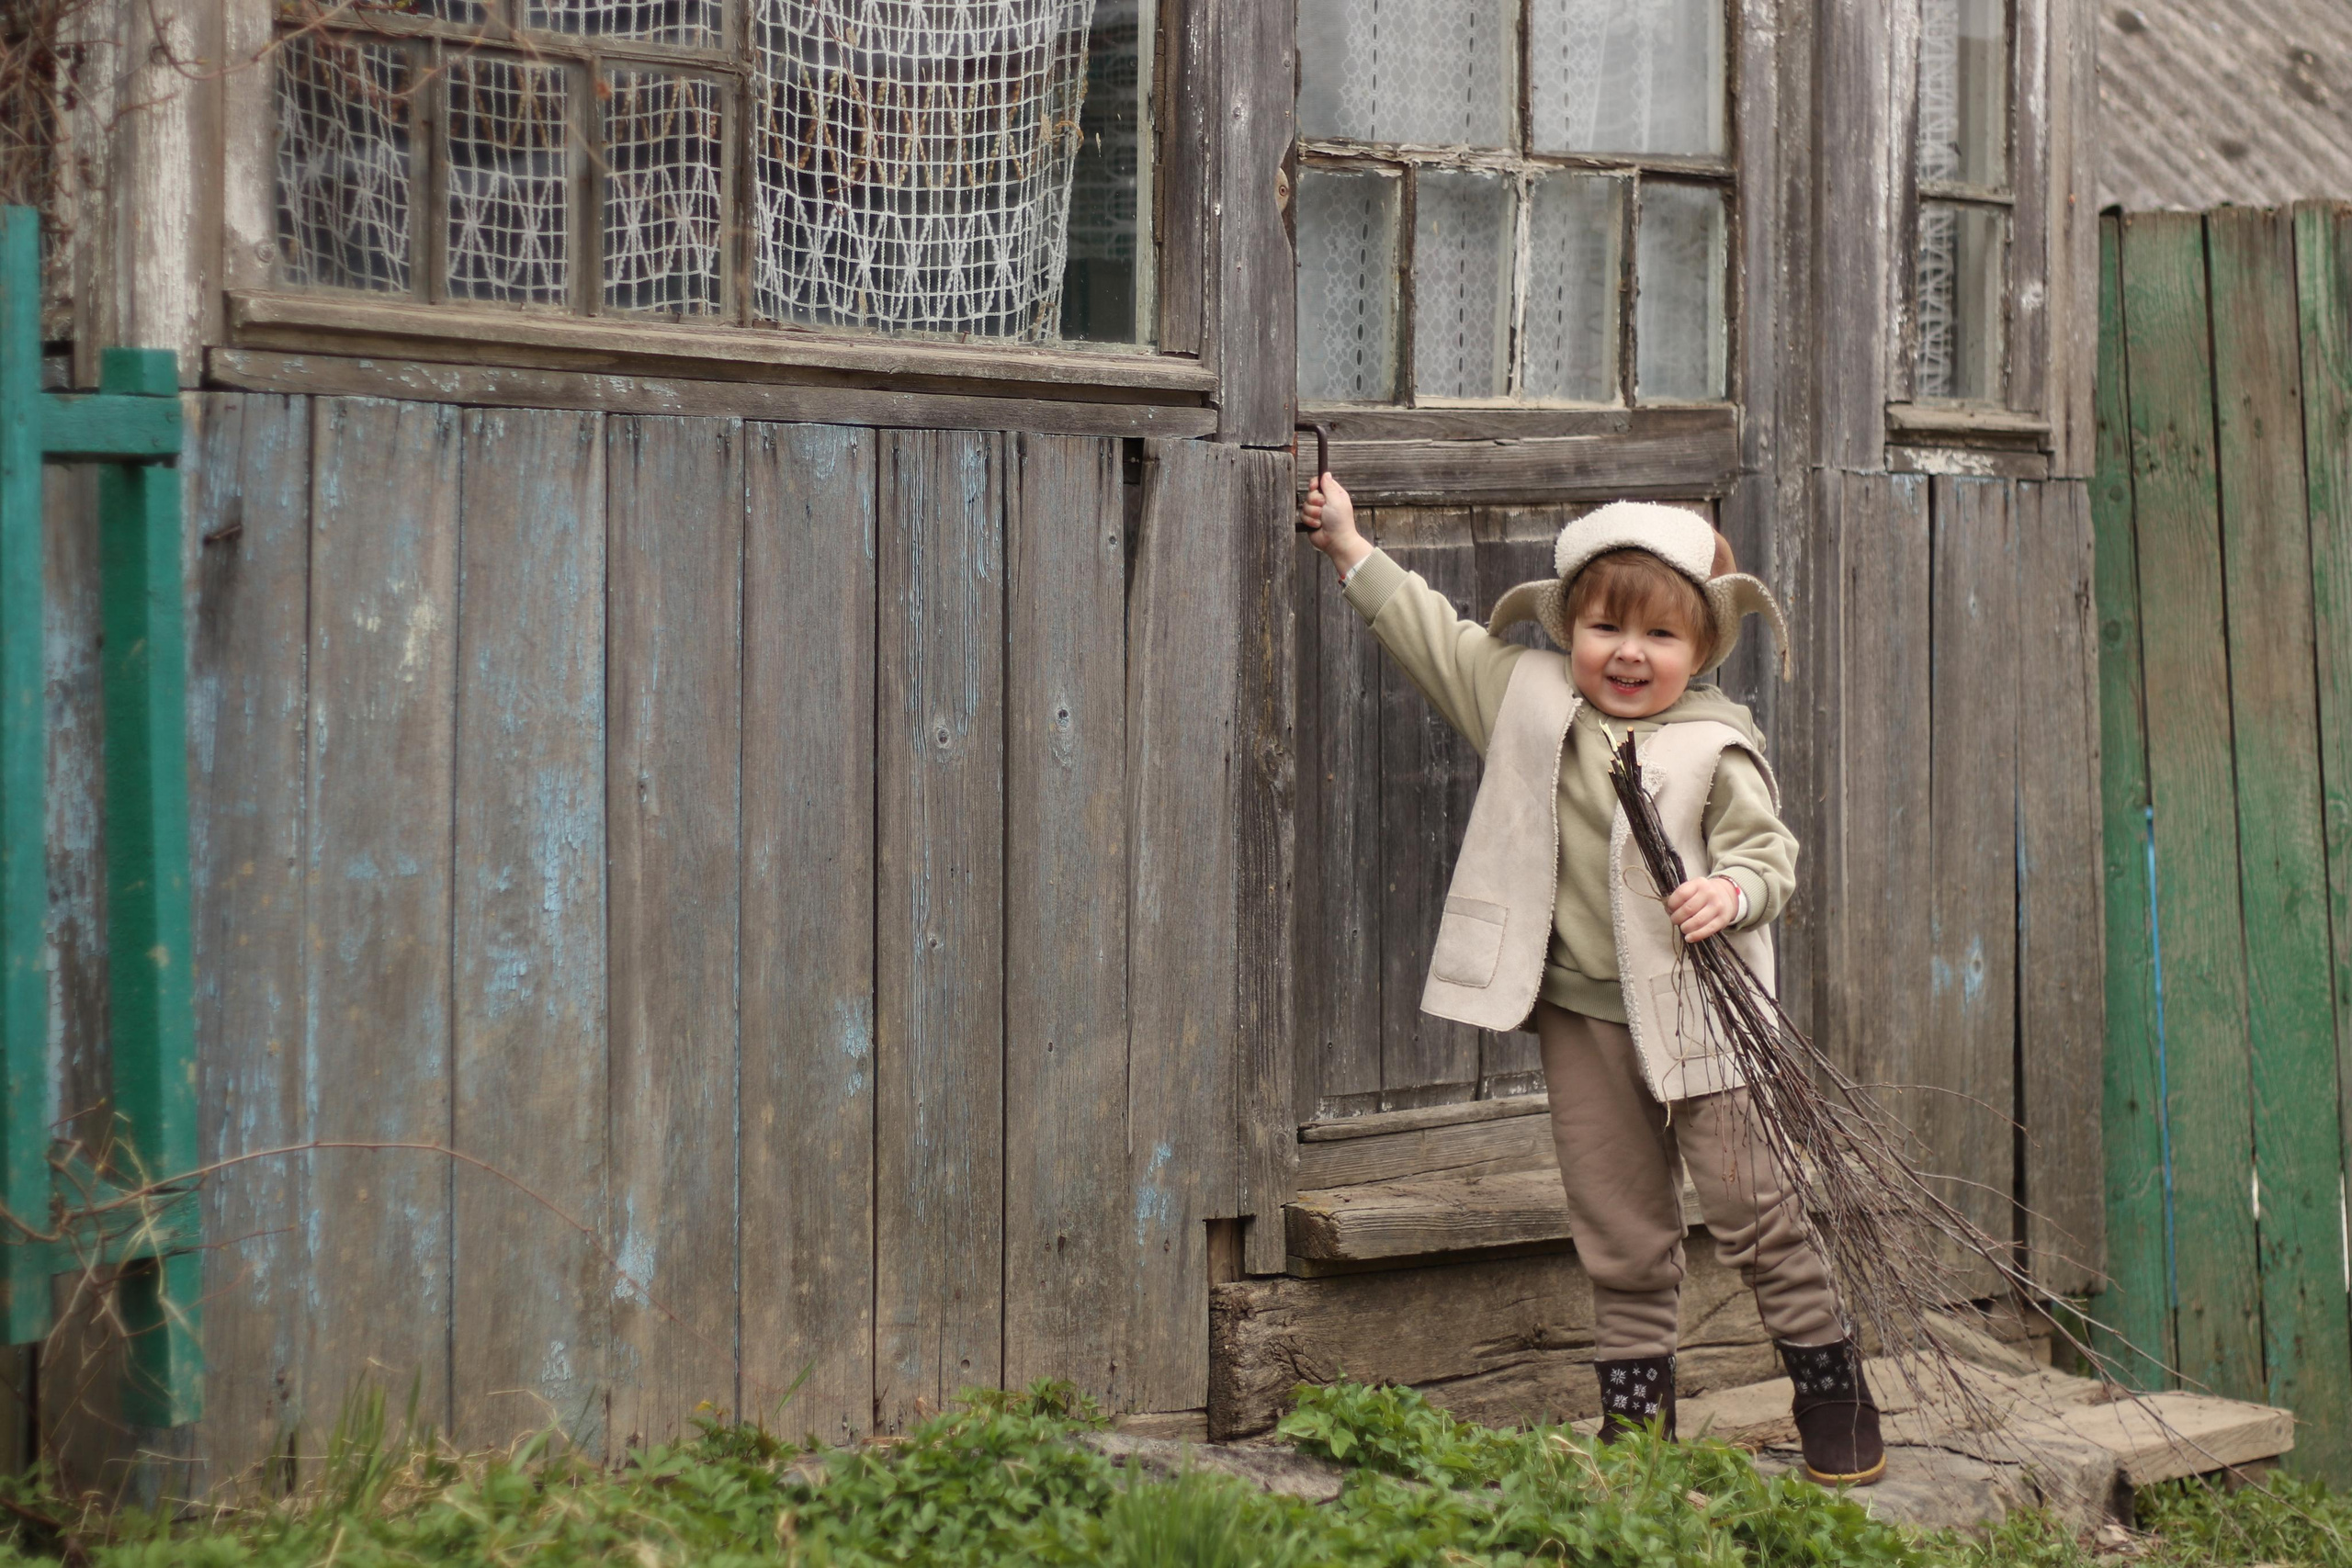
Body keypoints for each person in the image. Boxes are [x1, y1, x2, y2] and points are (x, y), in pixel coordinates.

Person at [1298, 473, 1885, 1487]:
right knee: (1618, 1220)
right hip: (1581, 1017)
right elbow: (1432, 635)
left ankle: (1828, 1387)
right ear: (1567, 625)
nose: (1627, 653)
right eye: (1605, 626)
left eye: (1659, 637)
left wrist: (1730, 895)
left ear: (1701, 650)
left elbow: (1768, 855)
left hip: (1705, 1021)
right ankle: (1636, 1420)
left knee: (1755, 1207)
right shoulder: (1527, 696)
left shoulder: (1715, 744)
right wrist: (1349, 544)